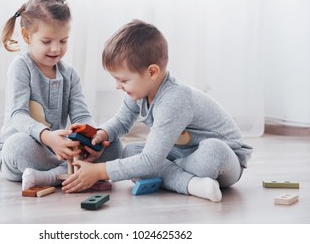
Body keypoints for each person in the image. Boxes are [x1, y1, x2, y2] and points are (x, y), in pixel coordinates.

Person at [62, 19, 253, 202]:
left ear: (152, 72)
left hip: (226, 160)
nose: (117, 86)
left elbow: (152, 159)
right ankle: (193, 184)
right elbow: (121, 121)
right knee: (130, 153)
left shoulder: (174, 98)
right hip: (180, 153)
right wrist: (100, 134)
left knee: (212, 151)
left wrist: (101, 171)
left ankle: (175, 176)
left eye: (123, 80)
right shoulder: (139, 92)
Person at [0, 0, 122, 190]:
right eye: (47, 41)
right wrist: (47, 137)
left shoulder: (70, 74)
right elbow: (18, 115)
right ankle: (67, 173)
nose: (56, 48)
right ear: (27, 36)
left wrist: (92, 140)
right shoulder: (21, 67)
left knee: (114, 145)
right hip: (31, 147)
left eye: (63, 41)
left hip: (59, 150)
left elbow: (81, 115)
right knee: (17, 147)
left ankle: (52, 175)